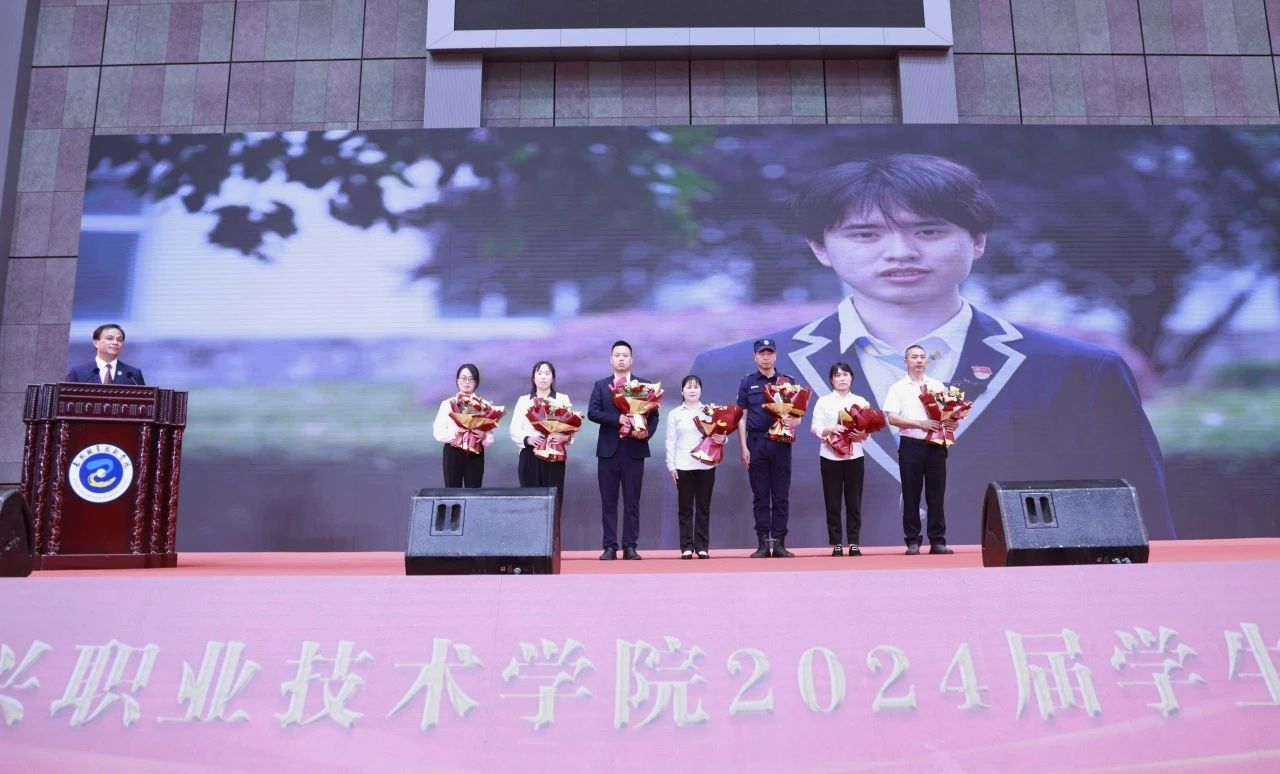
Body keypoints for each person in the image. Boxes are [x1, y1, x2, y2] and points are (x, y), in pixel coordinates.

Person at [691, 154, 1174, 545]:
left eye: (929, 231)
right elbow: (701, 526)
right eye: (865, 234)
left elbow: (1139, 530)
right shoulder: (732, 373)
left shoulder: (1079, 373)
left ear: (978, 240)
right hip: (810, 619)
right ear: (820, 248)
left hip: (1018, 620)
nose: (901, 251)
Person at [587, 340, 659, 560]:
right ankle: (610, 546)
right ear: (611, 359)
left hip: (634, 450)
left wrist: (646, 433)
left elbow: (654, 416)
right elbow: (592, 412)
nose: (621, 359)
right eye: (617, 355)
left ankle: (630, 546)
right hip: (608, 451)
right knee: (608, 502)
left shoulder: (644, 385)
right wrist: (617, 419)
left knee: (632, 502)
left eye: (625, 355)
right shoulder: (601, 385)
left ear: (631, 359)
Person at [882, 345, 955, 554]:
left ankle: (937, 541)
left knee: (936, 495)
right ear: (905, 362)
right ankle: (912, 541)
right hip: (911, 445)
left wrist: (952, 422)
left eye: (923, 357)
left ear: (927, 362)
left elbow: (948, 413)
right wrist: (919, 424)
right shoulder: (897, 388)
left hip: (936, 446)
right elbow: (893, 418)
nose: (919, 360)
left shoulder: (937, 386)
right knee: (911, 494)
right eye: (914, 357)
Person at [737, 339, 802, 558]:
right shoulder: (747, 382)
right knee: (761, 495)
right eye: (762, 354)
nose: (766, 357)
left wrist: (794, 422)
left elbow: (798, 415)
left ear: (776, 356)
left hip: (781, 443)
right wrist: (743, 447)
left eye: (769, 353)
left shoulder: (788, 381)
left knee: (781, 495)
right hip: (756, 443)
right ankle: (763, 543)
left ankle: (780, 543)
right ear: (755, 357)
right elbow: (741, 417)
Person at [810, 362, 871, 556]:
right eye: (837, 375)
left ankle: (854, 542)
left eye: (845, 374)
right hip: (829, 456)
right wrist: (830, 429)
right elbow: (814, 427)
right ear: (831, 380)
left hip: (855, 456)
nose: (842, 378)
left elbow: (867, 432)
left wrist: (861, 435)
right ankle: (836, 543)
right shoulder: (824, 401)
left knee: (854, 501)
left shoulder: (861, 401)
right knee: (833, 501)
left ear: (851, 377)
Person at [664, 375, 724, 559]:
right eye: (688, 387)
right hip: (683, 465)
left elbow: (721, 436)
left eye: (696, 386)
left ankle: (702, 546)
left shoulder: (710, 412)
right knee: (685, 508)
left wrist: (723, 439)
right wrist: (671, 465)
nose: (692, 390)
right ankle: (686, 547)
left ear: (701, 390)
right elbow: (670, 440)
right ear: (682, 391)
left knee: (703, 507)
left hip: (706, 465)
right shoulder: (675, 414)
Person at [509, 360, 572, 508]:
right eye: (540, 373)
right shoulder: (524, 400)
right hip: (530, 454)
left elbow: (570, 426)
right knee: (529, 501)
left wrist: (565, 437)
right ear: (533, 377)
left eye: (547, 373)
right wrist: (528, 439)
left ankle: (553, 524)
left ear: (553, 378)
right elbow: (514, 429)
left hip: (554, 454)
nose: (543, 377)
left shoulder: (562, 399)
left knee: (553, 502)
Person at [432, 363, 494, 488]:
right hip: (452, 451)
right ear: (457, 380)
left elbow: (490, 437)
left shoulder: (485, 405)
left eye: (471, 379)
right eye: (463, 378)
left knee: (474, 491)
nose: (467, 382)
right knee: (452, 492)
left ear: (476, 382)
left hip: (475, 453)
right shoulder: (447, 404)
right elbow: (438, 432)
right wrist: (456, 433)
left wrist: (483, 436)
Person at [65, 323, 145, 385]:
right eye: (110, 338)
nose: (115, 342)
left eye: (119, 340)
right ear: (96, 343)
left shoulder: (132, 374)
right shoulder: (78, 373)